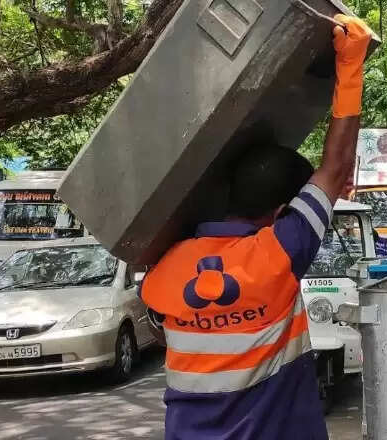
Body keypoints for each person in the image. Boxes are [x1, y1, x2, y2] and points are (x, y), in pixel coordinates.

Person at [141, 15, 371, 440]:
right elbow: (335, 169)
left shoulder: (164, 268)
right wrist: (350, 67)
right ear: (283, 212)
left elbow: (158, 326)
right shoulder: (279, 255)